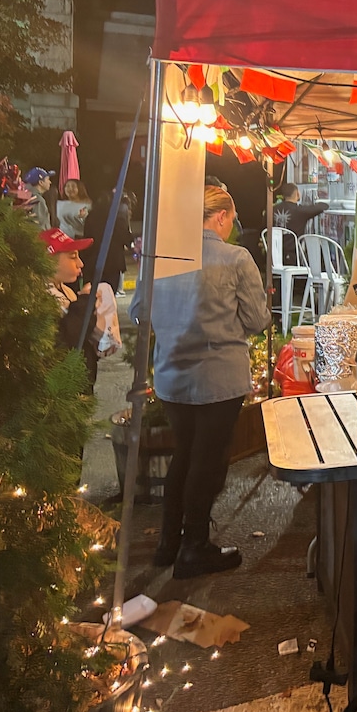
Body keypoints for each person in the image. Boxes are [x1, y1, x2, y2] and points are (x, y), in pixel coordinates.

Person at [130, 186, 270, 579]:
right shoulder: (235, 258)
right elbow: (259, 320)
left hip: (173, 375)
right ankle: (194, 548)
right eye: (232, 219)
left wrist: (174, 324)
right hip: (219, 377)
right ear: (221, 216)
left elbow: (140, 311)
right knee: (208, 462)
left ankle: (167, 544)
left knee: (185, 455)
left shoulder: (161, 257)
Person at [40, 228, 122, 388]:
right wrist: (85, 302)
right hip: (59, 391)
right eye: (73, 257)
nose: (80, 263)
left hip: (80, 385)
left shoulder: (67, 291)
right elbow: (67, 338)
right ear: (49, 261)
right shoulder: (39, 297)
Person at [80, 189, 133, 294]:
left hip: (92, 260)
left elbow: (87, 236)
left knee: (91, 295)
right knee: (108, 295)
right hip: (113, 262)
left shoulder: (91, 217)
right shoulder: (117, 217)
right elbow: (126, 237)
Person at [273, 183, 329, 263]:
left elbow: (263, 227)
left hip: (274, 253)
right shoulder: (300, 211)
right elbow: (323, 206)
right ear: (297, 194)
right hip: (294, 254)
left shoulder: (272, 210)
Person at [24, 166, 53, 231]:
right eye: (48, 179)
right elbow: (39, 225)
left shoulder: (23, 195)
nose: (50, 182)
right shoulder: (38, 200)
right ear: (41, 182)